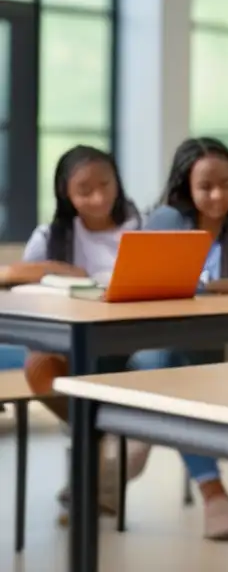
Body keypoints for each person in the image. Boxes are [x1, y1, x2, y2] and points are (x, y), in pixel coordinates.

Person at [125, 136, 228, 541]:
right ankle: (213, 489)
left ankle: (144, 426)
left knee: (163, 377)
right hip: (176, 344)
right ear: (185, 187)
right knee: (160, 365)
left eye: (227, 184)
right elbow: (140, 276)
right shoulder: (166, 219)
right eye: (205, 187)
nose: (218, 196)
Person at [15, 145, 143, 520]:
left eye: (106, 184)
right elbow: (10, 277)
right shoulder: (52, 236)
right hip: (72, 347)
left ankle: (89, 479)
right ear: (65, 194)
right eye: (84, 190)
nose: (99, 197)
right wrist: (58, 269)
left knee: (140, 372)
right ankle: (101, 435)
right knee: (40, 367)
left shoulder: (141, 227)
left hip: (130, 343)